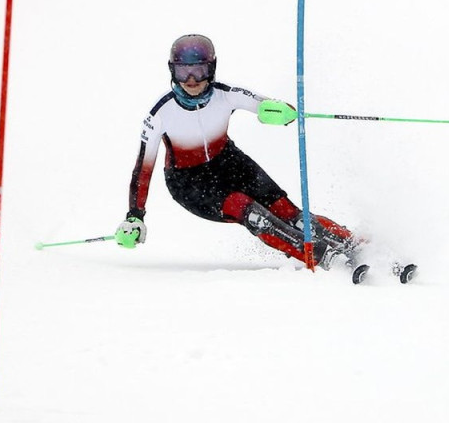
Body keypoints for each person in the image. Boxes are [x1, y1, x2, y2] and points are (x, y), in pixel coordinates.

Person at [115, 34, 357, 269]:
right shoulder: (160, 113)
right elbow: (143, 170)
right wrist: (135, 215)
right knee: (245, 208)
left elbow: (266, 105)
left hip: (229, 163)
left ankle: (355, 244)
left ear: (211, 69)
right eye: (182, 71)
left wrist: (278, 112)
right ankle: (321, 257)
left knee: (287, 210)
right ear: (172, 71)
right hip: (188, 183)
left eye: (199, 70)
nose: (190, 80)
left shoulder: (226, 94)